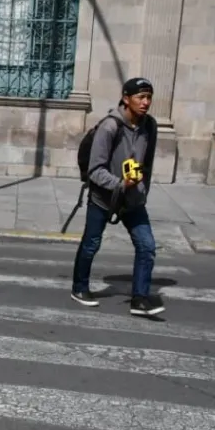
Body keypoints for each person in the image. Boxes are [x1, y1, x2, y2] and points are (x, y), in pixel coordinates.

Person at [71, 77, 162, 317]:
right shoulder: (110, 127)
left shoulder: (150, 126)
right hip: (104, 198)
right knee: (91, 244)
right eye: (141, 97)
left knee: (147, 246)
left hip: (133, 200)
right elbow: (95, 170)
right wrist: (120, 185)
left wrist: (140, 190)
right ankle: (79, 287)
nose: (146, 102)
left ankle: (140, 299)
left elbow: (147, 164)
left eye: (149, 97)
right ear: (126, 98)